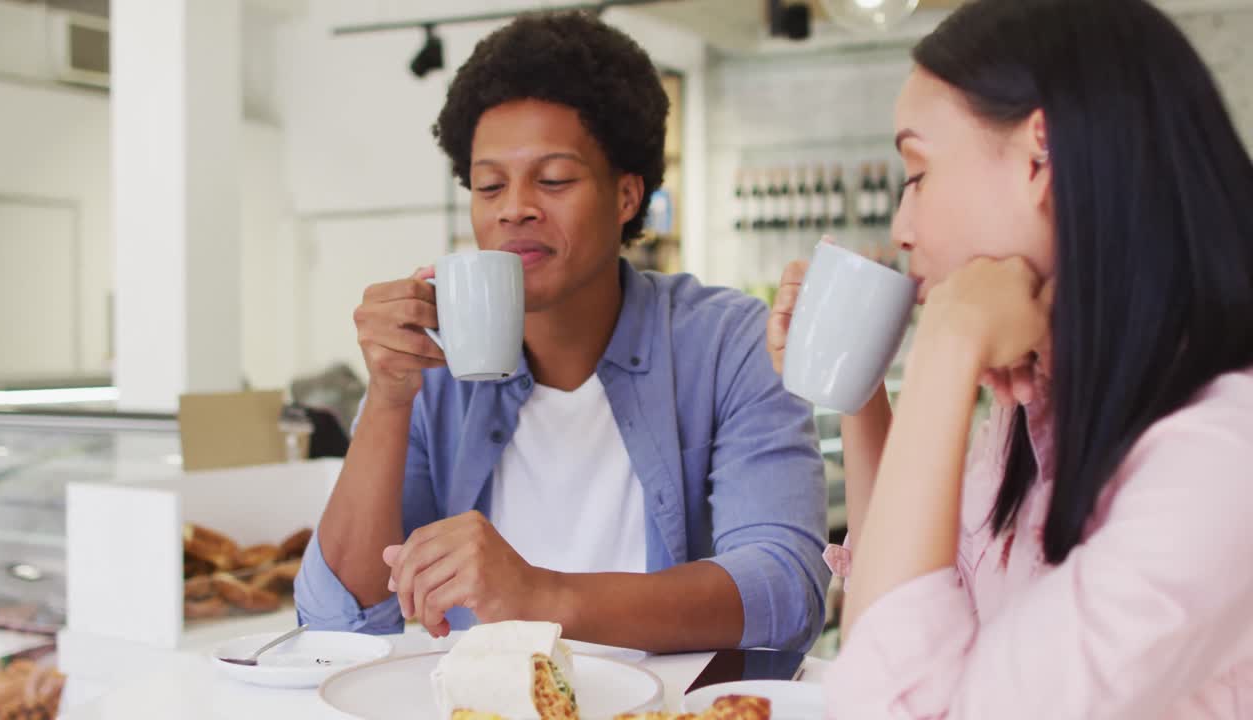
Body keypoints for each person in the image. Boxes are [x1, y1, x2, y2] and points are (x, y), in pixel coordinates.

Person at [766, 0, 1253, 715]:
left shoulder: (1219, 461)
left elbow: (895, 705)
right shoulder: (1033, 408)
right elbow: (896, 617)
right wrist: (858, 382)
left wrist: (945, 348)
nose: (902, 227)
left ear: (1039, 156)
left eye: (918, 173)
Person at [295, 10, 830, 654]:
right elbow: (336, 623)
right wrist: (385, 396)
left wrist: (540, 596)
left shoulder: (727, 345)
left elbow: (786, 590)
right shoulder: (434, 372)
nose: (514, 206)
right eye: (489, 185)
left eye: (552, 180)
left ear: (627, 196)